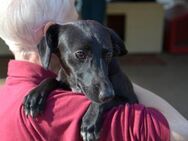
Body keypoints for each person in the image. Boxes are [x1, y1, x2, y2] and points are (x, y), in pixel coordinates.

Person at [0, 0, 187, 141]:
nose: (81, 22)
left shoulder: (6, 95)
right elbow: (181, 131)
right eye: (75, 17)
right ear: (52, 34)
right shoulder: (65, 109)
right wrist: (114, 77)